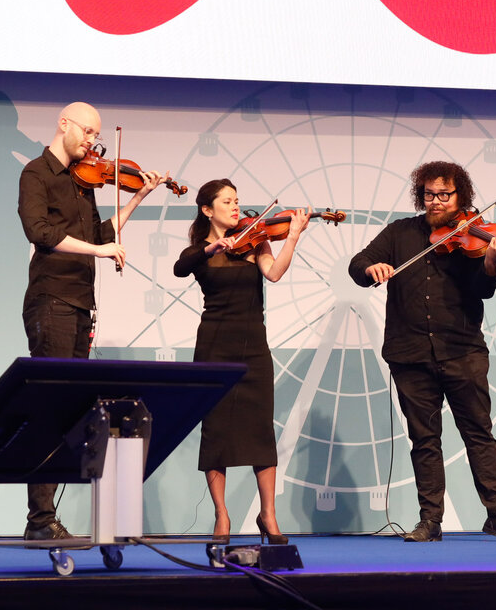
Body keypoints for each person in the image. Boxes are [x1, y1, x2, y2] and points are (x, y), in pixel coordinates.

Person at [347, 160, 496, 542]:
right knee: (425, 439)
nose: (436, 202)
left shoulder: (474, 235)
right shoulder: (400, 233)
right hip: (409, 352)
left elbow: (482, 289)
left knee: (478, 434)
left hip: (462, 351)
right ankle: (430, 521)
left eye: (445, 195)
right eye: (430, 194)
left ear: (460, 196)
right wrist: (372, 270)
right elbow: (357, 264)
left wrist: (490, 259)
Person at [17, 102, 168, 540]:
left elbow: (101, 236)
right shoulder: (36, 173)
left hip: (81, 304)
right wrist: (100, 251)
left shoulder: (86, 182)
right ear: (63, 124)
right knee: (48, 409)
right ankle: (40, 519)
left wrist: (137, 197)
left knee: (70, 411)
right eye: (87, 132)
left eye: (96, 136)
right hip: (52, 301)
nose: (92, 143)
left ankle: (50, 518)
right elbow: (39, 232)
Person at [173, 180, 310, 545]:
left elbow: (275, 273)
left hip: (254, 349)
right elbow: (179, 268)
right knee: (216, 431)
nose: (236, 207)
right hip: (214, 348)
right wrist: (213, 247)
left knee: (260, 431)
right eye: (227, 202)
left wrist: (293, 236)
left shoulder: (256, 239)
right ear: (207, 209)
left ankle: (268, 515)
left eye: (237, 201)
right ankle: (222, 515)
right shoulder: (200, 251)